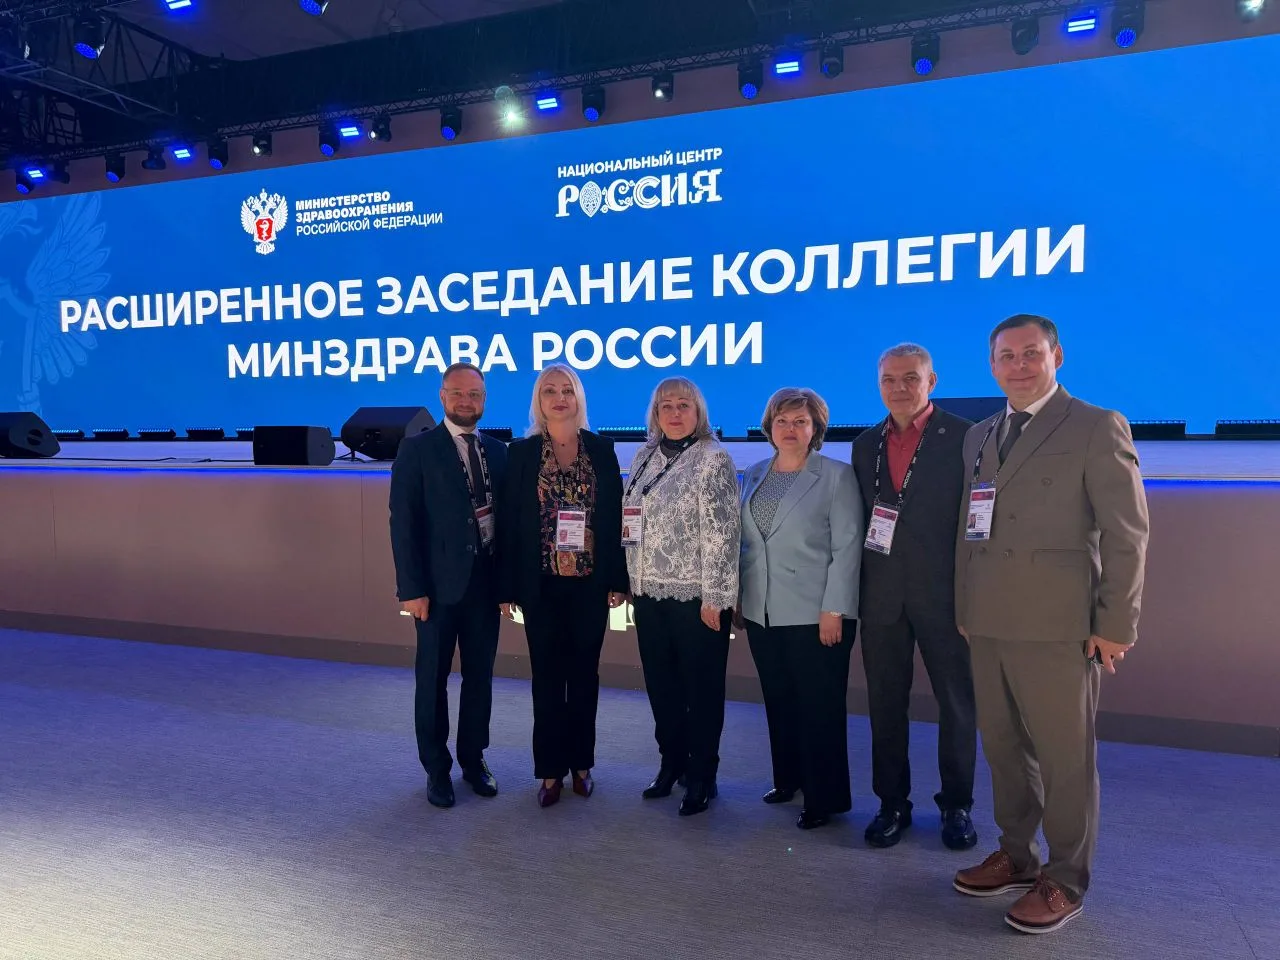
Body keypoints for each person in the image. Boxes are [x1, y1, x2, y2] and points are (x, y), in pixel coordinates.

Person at [952, 315, 1149, 935]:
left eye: (1030, 353)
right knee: (1003, 746)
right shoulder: (980, 434)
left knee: (1066, 758)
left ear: (1056, 356)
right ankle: (1017, 855)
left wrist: (1116, 622)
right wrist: (965, 608)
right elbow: (969, 530)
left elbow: (1127, 534)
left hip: (1058, 622)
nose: (1019, 365)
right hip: (989, 619)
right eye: (1006, 356)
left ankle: (1065, 877)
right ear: (992, 365)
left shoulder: (1096, 425)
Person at [851, 344, 979, 851]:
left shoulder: (967, 437)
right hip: (882, 596)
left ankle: (957, 805)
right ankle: (892, 803)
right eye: (889, 380)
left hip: (946, 597)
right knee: (884, 705)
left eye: (910, 378)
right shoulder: (864, 444)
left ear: (932, 381)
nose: (899, 388)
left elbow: (978, 523)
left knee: (957, 704)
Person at [497, 364, 629, 808]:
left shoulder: (602, 449)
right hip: (541, 586)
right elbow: (510, 522)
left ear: (578, 398)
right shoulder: (521, 452)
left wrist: (618, 578)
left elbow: (614, 517)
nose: (559, 398)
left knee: (585, 677)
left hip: (590, 585)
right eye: (549, 391)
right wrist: (506, 586)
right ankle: (550, 770)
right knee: (547, 679)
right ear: (539, 400)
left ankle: (582, 766)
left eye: (567, 390)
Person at [737, 388, 862, 830]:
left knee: (819, 708)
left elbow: (848, 547)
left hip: (817, 614)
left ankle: (824, 797)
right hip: (763, 610)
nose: (790, 429)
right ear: (769, 427)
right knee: (780, 700)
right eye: (782, 421)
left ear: (816, 429)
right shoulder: (755, 473)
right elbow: (748, 545)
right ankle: (788, 779)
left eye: (800, 421)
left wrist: (836, 609)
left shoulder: (836, 476)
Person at [388, 362, 509, 809]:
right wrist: (411, 589)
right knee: (432, 680)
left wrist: (509, 585)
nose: (466, 401)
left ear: (484, 399)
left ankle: (473, 761)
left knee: (480, 679)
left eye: (474, 394)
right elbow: (403, 524)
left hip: (486, 588)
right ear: (442, 397)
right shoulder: (417, 450)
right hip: (436, 591)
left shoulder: (499, 451)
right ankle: (436, 770)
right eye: (457, 393)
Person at [623, 377, 741, 816]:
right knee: (663, 687)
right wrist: (632, 579)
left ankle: (702, 775)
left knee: (701, 691)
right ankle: (670, 764)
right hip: (648, 594)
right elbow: (631, 521)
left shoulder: (714, 458)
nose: (674, 413)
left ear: (698, 412)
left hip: (697, 598)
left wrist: (717, 597)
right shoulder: (643, 456)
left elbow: (724, 534)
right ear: (655, 414)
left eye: (683, 405)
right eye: (666, 406)